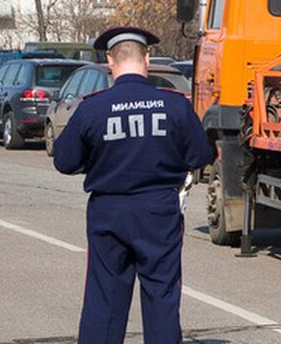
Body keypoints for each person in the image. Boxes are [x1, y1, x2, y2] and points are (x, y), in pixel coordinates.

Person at [53, 26, 214, 344]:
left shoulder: (93, 107)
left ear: (111, 61)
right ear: (148, 59)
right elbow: (200, 155)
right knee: (161, 296)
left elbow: (65, 161)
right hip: (158, 212)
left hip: (108, 211)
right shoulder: (175, 106)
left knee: (105, 299)